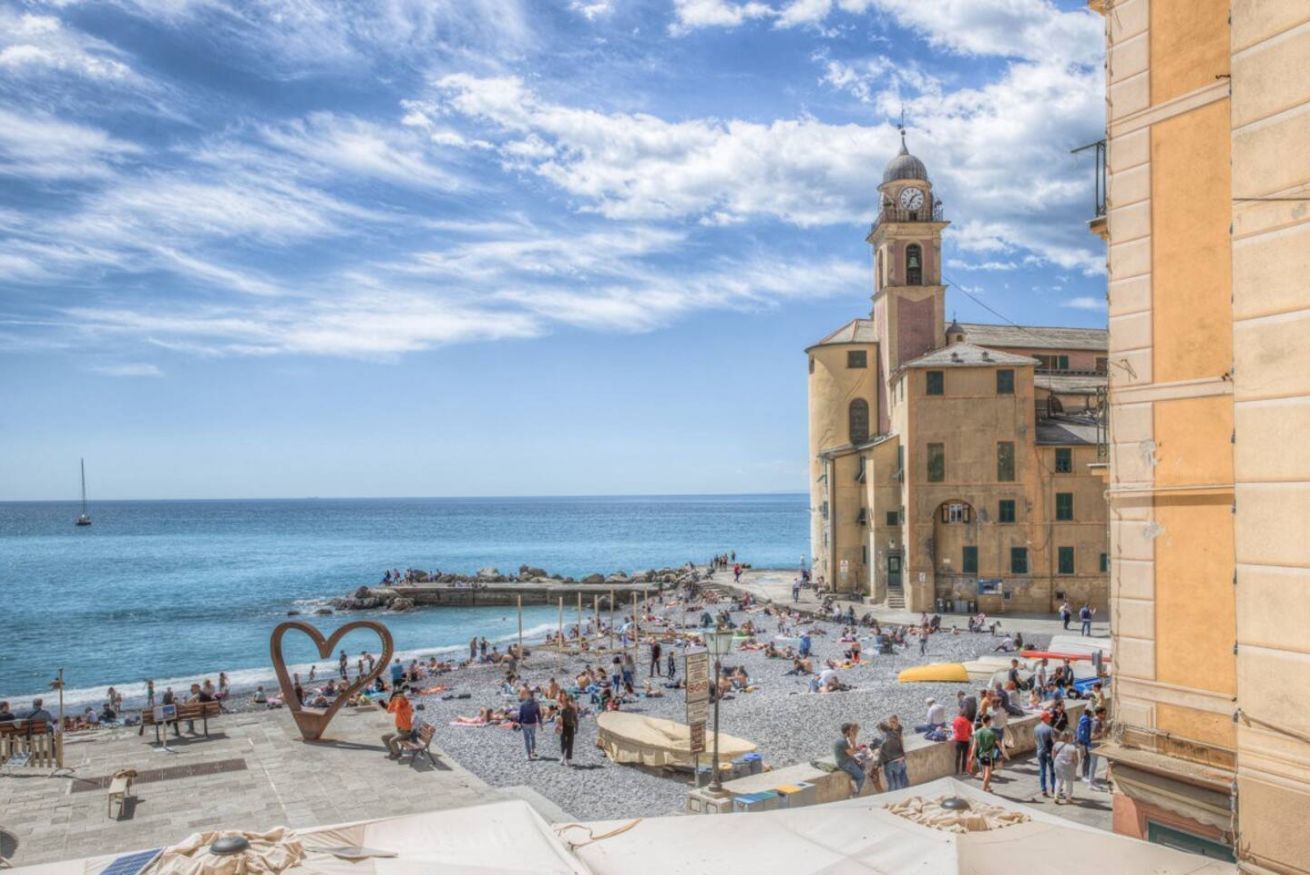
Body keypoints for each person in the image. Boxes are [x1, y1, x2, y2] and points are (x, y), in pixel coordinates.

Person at [970, 714, 1005, 792]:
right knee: (988, 773)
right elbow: (999, 744)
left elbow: (974, 745)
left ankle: (988, 787)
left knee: (984, 771)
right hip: (989, 755)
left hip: (980, 754)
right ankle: (983, 789)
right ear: (988, 721)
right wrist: (1002, 752)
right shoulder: (991, 732)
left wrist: (972, 755)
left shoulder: (977, 732)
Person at [378, 689, 416, 759]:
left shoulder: (407, 707)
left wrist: (394, 699)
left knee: (392, 741)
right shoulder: (401, 706)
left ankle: (397, 754)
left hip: (406, 733)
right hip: (399, 731)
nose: (398, 700)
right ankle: (392, 752)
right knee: (384, 737)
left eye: (399, 699)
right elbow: (389, 710)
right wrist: (389, 701)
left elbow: (396, 709)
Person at [834, 722, 867, 795]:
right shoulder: (842, 741)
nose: (852, 732)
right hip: (844, 763)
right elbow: (852, 752)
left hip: (846, 760)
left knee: (862, 765)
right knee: (862, 777)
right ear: (848, 731)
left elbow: (849, 753)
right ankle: (855, 795)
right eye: (851, 730)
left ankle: (854, 780)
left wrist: (856, 759)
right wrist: (854, 741)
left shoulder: (842, 739)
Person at [878, 716, 909, 790]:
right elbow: (901, 744)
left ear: (881, 730)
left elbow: (882, 753)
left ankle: (894, 797)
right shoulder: (896, 734)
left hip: (892, 762)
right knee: (901, 781)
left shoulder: (885, 739)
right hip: (900, 759)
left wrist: (879, 765)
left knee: (892, 783)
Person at [1053, 729, 1080, 803]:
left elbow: (1054, 755)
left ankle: (1056, 796)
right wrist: (1075, 765)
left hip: (1058, 764)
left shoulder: (1057, 744)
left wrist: (1056, 762)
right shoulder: (1072, 747)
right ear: (1069, 738)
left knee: (1058, 780)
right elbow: (1075, 759)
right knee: (1069, 782)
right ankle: (1068, 798)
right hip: (1069, 766)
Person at [1035, 711, 1056, 798]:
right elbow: (1054, 742)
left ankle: (1043, 790)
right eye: (1049, 717)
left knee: (1042, 771)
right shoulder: (1049, 729)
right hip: (1048, 752)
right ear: (1046, 718)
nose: (1050, 719)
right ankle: (1054, 788)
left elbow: (1035, 740)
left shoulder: (1036, 728)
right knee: (1052, 771)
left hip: (1040, 751)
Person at [518, 689, 542, 760]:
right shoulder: (536, 704)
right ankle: (533, 751)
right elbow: (538, 714)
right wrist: (540, 723)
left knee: (527, 739)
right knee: (533, 737)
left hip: (525, 723)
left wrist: (519, 723)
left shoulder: (523, 704)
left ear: (528, 695)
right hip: (533, 723)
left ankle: (528, 755)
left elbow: (521, 715)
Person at [557, 692, 578, 767]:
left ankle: (568, 759)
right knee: (563, 743)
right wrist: (558, 727)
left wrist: (576, 728)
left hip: (570, 727)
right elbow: (559, 720)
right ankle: (563, 757)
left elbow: (575, 719)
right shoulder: (562, 710)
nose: (564, 703)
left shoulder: (572, 709)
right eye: (563, 702)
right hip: (563, 727)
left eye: (565, 701)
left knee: (570, 743)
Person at [951, 706, 973, 775]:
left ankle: (956, 770)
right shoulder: (968, 721)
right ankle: (963, 771)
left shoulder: (956, 719)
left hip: (958, 740)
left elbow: (954, 728)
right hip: (965, 741)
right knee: (964, 756)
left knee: (958, 756)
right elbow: (970, 731)